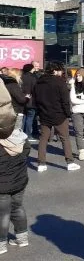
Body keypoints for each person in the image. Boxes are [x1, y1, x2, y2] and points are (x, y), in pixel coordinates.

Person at [33, 61, 80, 172]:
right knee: (65, 138)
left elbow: (35, 99)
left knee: (43, 139)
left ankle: (41, 163)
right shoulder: (59, 82)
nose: (61, 72)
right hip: (59, 115)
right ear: (54, 71)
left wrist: (40, 111)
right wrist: (68, 114)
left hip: (44, 113)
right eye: (60, 70)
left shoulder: (38, 82)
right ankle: (70, 162)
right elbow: (65, 101)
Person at [0, 108, 31, 254]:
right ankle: (22, 238)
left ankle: (1, 244)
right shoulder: (19, 136)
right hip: (19, 180)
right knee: (17, 207)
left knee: (3, 213)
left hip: (2, 185)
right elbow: (27, 151)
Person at [0, 69, 28, 143]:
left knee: (7, 133)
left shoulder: (4, 83)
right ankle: (12, 152)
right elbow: (21, 99)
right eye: (20, 75)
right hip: (16, 111)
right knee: (14, 134)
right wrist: (27, 98)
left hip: (6, 110)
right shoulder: (13, 85)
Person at [20, 64, 38, 142]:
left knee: (24, 118)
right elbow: (35, 89)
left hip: (23, 99)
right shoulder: (33, 77)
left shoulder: (21, 77)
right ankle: (28, 135)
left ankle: (22, 134)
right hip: (31, 100)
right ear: (30, 69)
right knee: (30, 118)